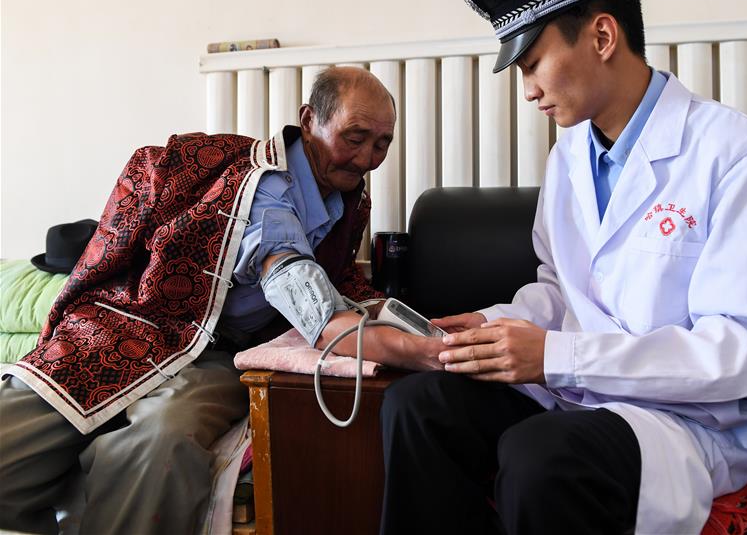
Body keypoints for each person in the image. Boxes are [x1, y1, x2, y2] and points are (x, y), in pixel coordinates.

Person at [378, 0, 747, 534]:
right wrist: (491, 327)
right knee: (417, 405)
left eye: (532, 64)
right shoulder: (569, 157)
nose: (528, 90)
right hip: (576, 391)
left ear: (602, 37)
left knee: (541, 456)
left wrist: (558, 356)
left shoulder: (735, 152)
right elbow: (562, 291)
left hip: (684, 418)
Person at [0, 66, 436, 534]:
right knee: (14, 432)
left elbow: (334, 284)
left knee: (159, 439)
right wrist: (433, 353)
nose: (367, 159)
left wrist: (422, 327)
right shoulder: (259, 184)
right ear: (310, 120)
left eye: (382, 144)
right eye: (355, 137)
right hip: (126, 326)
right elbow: (313, 304)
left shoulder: (348, 202)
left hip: (219, 356)